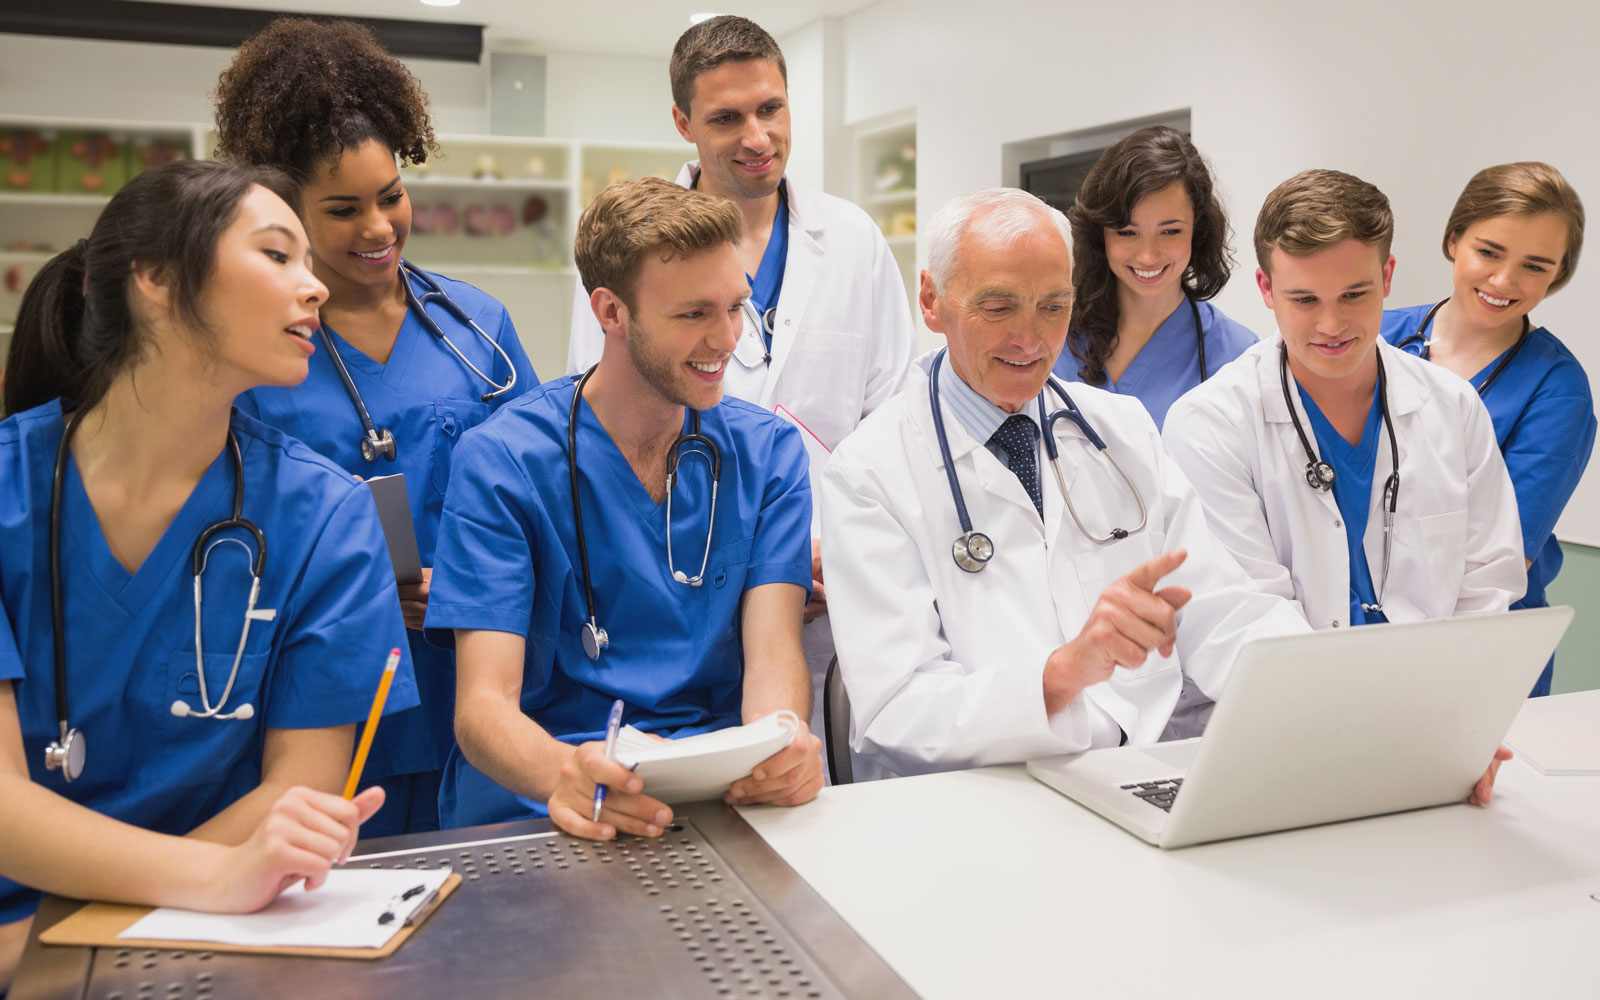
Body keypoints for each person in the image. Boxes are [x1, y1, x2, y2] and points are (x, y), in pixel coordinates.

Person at [0, 160, 417, 989]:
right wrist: (205, 881)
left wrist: (89, 938)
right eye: (277, 255)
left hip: (215, 937)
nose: (316, 287)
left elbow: (297, 796)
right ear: (155, 277)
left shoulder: (325, 517)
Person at [819, 188, 1310, 783]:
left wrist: (1328, 696)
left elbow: (1219, 607)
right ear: (931, 300)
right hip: (971, 798)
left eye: (1053, 306)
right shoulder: (869, 472)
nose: (1031, 339)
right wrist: (1063, 674)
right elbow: (897, 709)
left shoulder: (1121, 431)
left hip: (1131, 776)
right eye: (999, 307)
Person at [212, 17, 539, 834]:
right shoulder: (256, 353)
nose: (379, 227)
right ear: (287, 211)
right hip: (327, 694)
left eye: (392, 196)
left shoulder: (476, 325)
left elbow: (544, 490)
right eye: (343, 208)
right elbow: (225, 527)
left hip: (482, 681)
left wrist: (475, 584)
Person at [427, 178, 822, 838]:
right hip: (546, 801)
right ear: (610, 312)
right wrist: (567, 774)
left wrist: (781, 743)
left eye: (736, 307)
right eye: (694, 315)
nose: (727, 340)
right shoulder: (504, 461)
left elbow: (775, 654)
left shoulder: (768, 453)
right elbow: (481, 707)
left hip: (711, 794)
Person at [564, 15, 918, 750]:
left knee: (802, 781)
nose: (756, 137)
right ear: (682, 122)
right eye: (726, 118)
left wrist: (840, 549)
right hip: (677, 586)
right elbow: (604, 422)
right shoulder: (632, 250)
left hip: (831, 588)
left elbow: (894, 421)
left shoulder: (851, 240)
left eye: (771, 109)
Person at [1163, 169, 1526, 801]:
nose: (1332, 324)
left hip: (1426, 742)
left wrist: (1460, 727)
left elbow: (1486, 585)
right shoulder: (1210, 422)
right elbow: (1236, 613)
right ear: (1266, 290)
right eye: (1304, 300)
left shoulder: (1451, 407)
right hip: (1268, 742)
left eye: (1355, 295)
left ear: (1388, 279)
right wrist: (1377, 728)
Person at [1381, 163, 1593, 697]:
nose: (1503, 282)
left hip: (1480, 651)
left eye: (1534, 266)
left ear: (1558, 274)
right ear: (1454, 239)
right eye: (1489, 252)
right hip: (1353, 631)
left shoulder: (1557, 388)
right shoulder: (1378, 336)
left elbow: (1503, 558)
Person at [1050, 126, 1258, 429]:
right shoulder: (1052, 339)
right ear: (1100, 234)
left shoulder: (1237, 356)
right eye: (1127, 232)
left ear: (1197, 231)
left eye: (1170, 231)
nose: (1148, 256)